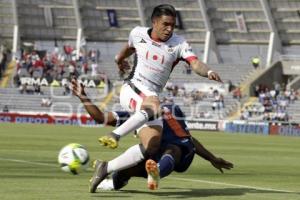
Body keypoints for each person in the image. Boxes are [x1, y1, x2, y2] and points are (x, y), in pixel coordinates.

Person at [89, 4, 222, 193]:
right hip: (132, 89)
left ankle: (105, 167)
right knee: (154, 104)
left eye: (173, 25)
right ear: (154, 22)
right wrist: (119, 60)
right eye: (165, 24)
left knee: (152, 147)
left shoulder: (178, 44)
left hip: (150, 98)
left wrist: (207, 71)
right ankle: (115, 135)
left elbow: (195, 63)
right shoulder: (138, 33)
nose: (169, 29)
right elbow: (128, 48)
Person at [71, 80, 232, 192]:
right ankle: (109, 181)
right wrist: (83, 97)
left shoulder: (170, 108)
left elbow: (189, 139)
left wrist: (212, 158)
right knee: (123, 173)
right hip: (152, 157)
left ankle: (156, 173)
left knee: (171, 149)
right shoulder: (133, 115)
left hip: (181, 154)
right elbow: (100, 117)